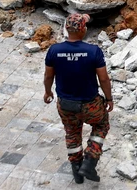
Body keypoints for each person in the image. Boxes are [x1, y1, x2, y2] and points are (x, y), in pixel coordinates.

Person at [43, 13, 113, 184]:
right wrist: (109, 99)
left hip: (66, 104)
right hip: (91, 104)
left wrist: (48, 92)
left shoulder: (54, 50)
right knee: (101, 124)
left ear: (66, 29)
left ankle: (77, 171)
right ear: (83, 30)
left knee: (72, 132)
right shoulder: (93, 51)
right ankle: (90, 160)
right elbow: (103, 79)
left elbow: (48, 76)